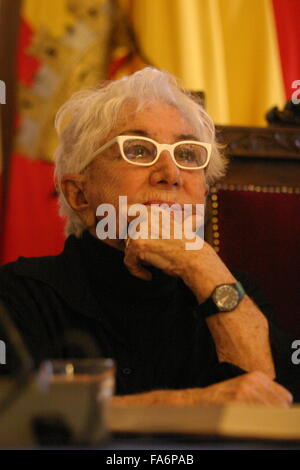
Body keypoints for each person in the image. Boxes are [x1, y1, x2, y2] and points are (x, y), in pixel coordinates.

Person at [0, 67, 298, 407]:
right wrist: (189, 406)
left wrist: (202, 265)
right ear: (80, 195)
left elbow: (279, 408)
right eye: (138, 150)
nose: (170, 174)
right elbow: (12, 417)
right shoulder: (17, 296)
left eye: (187, 154)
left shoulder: (236, 291)